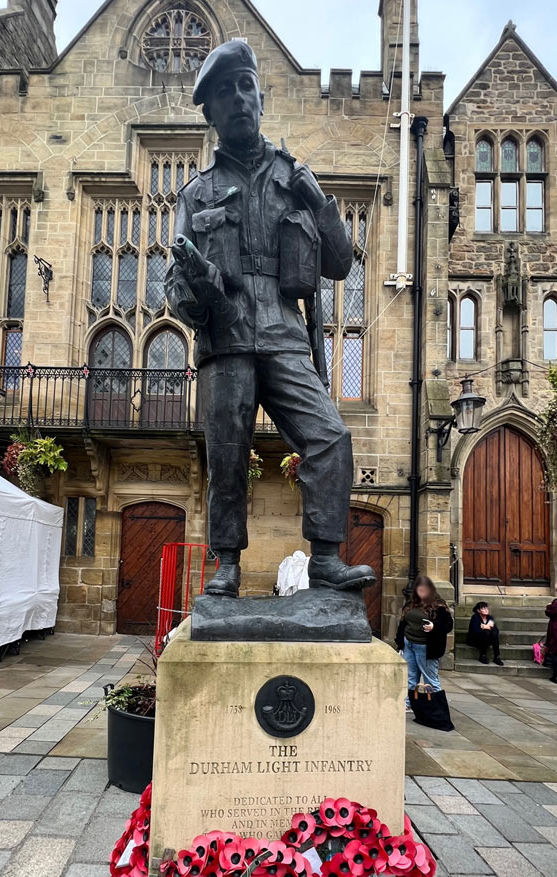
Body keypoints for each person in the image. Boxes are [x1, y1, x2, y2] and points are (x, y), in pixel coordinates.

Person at [165, 40, 375, 599]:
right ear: (209, 113)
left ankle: (326, 557)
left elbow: (339, 262)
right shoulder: (196, 193)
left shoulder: (293, 178)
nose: (237, 99)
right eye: (223, 93)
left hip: (283, 334)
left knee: (329, 437)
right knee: (227, 456)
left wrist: (320, 200)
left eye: (244, 87)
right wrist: (198, 293)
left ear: (260, 95)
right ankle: (227, 565)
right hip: (226, 337)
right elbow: (174, 288)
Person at [396, 576, 454, 704]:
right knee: (411, 677)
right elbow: (403, 623)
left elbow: (448, 625)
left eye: (424, 590)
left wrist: (434, 626)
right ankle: (409, 703)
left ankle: (437, 706)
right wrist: (400, 643)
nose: (421, 593)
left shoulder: (438, 606)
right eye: (419, 590)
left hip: (426, 647)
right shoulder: (411, 604)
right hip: (409, 643)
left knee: (430, 678)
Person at [467, 602, 504, 666]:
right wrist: (488, 627)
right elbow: (475, 631)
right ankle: (483, 655)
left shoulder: (490, 617)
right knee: (486, 632)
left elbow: (496, 630)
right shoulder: (475, 617)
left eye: (487, 608)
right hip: (475, 640)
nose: (486, 610)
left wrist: (484, 626)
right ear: (478, 610)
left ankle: (496, 657)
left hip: (488, 639)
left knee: (494, 633)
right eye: (483, 608)